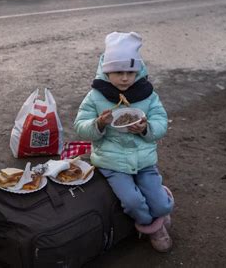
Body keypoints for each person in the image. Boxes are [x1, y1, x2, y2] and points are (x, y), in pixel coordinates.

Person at [73, 31, 174, 252]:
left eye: (130, 71)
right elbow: (80, 125)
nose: (125, 78)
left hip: (144, 161)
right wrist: (99, 124)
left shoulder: (147, 94)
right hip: (112, 163)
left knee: (159, 203)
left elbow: (161, 121)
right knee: (133, 203)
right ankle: (153, 228)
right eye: (118, 72)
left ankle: (162, 203)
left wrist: (146, 128)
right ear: (107, 70)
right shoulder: (96, 96)